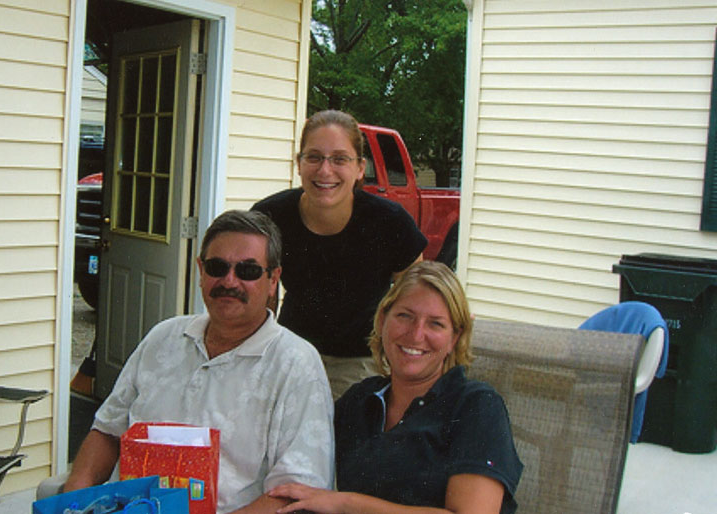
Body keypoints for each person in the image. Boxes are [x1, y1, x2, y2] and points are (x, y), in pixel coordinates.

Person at [55, 210, 334, 514]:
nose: (230, 281)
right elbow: (107, 432)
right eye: (217, 267)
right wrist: (71, 505)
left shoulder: (295, 364)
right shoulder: (164, 338)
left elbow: (295, 492)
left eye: (248, 271)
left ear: (272, 280)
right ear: (201, 271)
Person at [269, 261, 523, 514]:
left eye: (435, 324)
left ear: (453, 339)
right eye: (405, 316)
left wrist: (344, 503)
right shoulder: (360, 401)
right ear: (382, 320)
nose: (416, 334)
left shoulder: (476, 406)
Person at [252, 110, 427, 399]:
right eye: (314, 157)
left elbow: (417, 294)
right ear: (299, 164)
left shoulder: (389, 222)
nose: (325, 171)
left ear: (360, 168)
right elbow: (260, 294)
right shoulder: (270, 216)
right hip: (290, 353)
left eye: (339, 159)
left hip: (361, 362)